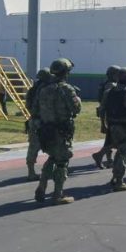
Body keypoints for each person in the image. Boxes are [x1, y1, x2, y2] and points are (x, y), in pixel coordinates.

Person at [33, 58, 82, 204]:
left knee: (52, 157)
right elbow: (76, 109)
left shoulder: (43, 89)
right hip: (61, 131)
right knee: (62, 162)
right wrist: (77, 99)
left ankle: (41, 186)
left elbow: (34, 109)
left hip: (46, 129)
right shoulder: (66, 89)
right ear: (65, 72)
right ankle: (58, 194)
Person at [24, 67, 51, 181]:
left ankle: (31, 172)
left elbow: (27, 105)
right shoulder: (47, 89)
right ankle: (50, 170)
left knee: (33, 147)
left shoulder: (32, 89)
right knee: (53, 146)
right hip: (44, 121)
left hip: (33, 120)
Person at [92, 65, 120, 169]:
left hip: (107, 113)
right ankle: (106, 158)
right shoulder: (111, 85)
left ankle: (109, 159)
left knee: (110, 137)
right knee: (113, 138)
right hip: (111, 113)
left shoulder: (104, 84)